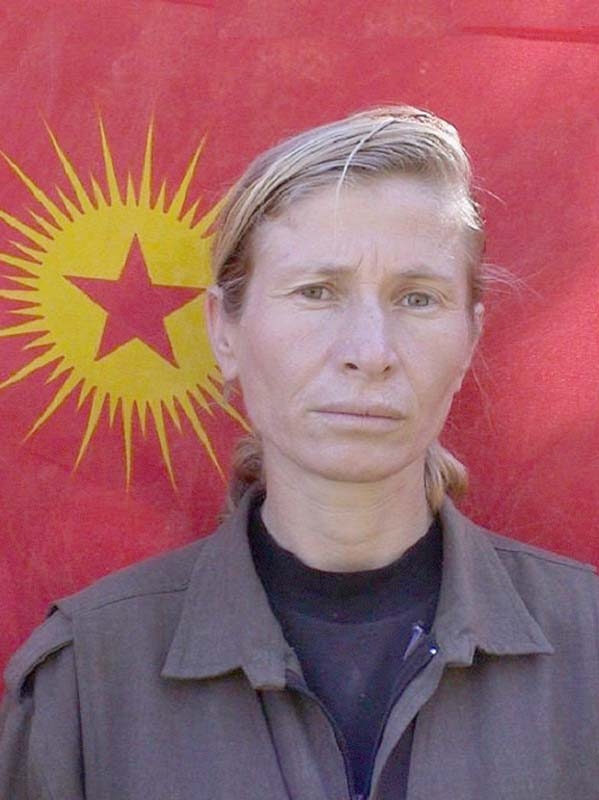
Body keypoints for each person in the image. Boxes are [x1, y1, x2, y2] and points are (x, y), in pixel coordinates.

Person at [1, 106, 597, 800]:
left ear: (469, 340)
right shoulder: (89, 680)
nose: (369, 352)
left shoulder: (587, 647)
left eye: (417, 298)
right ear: (223, 330)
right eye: (317, 292)